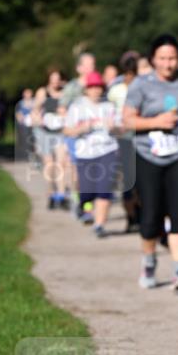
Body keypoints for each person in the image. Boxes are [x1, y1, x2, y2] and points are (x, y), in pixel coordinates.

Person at [123, 34, 178, 293]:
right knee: (151, 214)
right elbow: (127, 121)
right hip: (148, 155)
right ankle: (149, 262)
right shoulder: (140, 85)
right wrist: (156, 122)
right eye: (163, 59)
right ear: (152, 59)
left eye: (173, 58)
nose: (168, 64)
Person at [63, 71, 121, 238]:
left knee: (105, 188)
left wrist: (114, 128)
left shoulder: (109, 106)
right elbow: (67, 130)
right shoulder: (77, 107)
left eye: (98, 87)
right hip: (85, 153)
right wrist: (81, 129)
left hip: (107, 150)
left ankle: (99, 225)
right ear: (86, 90)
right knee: (87, 191)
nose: (95, 90)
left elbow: (121, 128)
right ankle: (85, 206)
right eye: (92, 87)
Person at [108, 51, 141, 232]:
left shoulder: (143, 86)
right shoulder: (115, 90)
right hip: (123, 137)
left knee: (140, 178)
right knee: (128, 180)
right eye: (128, 73)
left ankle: (140, 213)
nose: (130, 77)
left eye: (133, 73)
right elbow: (109, 112)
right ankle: (131, 216)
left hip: (141, 134)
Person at [61, 51, 96, 218]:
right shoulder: (72, 87)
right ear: (79, 68)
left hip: (95, 136)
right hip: (76, 136)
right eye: (88, 65)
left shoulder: (98, 85)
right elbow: (62, 110)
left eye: (93, 65)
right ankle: (77, 198)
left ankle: (88, 207)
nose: (91, 68)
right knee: (77, 172)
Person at [33, 68, 70, 210]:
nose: (55, 81)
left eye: (57, 78)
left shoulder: (65, 92)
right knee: (49, 164)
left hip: (60, 131)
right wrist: (39, 120)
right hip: (45, 132)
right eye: (52, 79)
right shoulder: (43, 92)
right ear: (49, 79)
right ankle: (51, 193)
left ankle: (61, 195)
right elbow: (35, 110)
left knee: (60, 163)